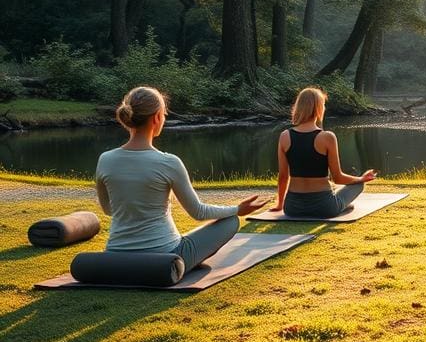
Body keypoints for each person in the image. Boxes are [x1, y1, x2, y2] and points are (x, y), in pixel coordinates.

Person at [96, 86, 267, 271]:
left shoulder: (106, 160)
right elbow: (198, 212)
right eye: (164, 115)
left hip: (115, 252)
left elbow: (108, 209)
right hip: (166, 255)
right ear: (156, 118)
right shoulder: (169, 162)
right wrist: (238, 209)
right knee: (231, 220)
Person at [271, 87, 377, 218]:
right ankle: (340, 204)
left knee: (339, 193)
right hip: (324, 208)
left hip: (292, 208)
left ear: (298, 107)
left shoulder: (284, 136)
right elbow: (338, 178)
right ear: (319, 108)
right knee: (358, 185)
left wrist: (280, 205)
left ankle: (340, 203)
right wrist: (362, 178)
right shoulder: (327, 137)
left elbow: (283, 176)